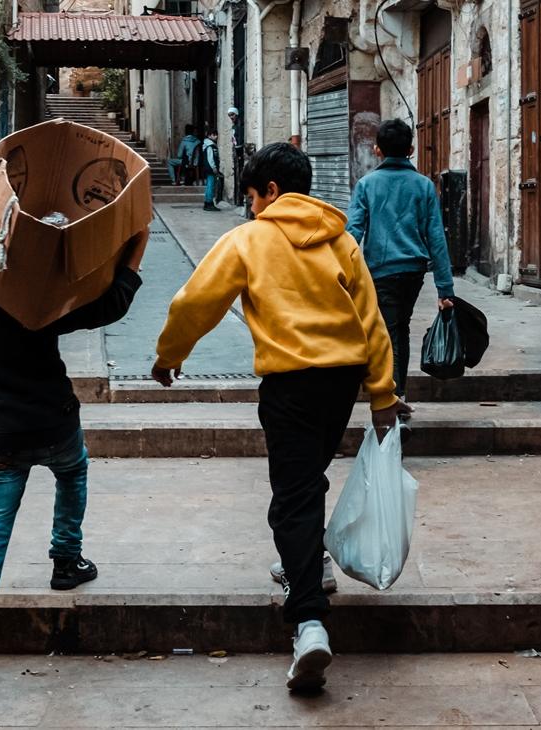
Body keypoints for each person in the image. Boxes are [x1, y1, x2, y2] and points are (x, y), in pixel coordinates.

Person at [151, 143, 409, 692]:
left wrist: (169, 355)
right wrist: (382, 393)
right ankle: (307, 564)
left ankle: (309, 622)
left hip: (289, 383)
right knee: (309, 478)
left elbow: (195, 303)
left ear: (270, 191)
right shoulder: (341, 240)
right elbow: (372, 319)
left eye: (251, 196)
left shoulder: (249, 240)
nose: (249, 208)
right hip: (341, 381)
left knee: (292, 495)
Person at [0, 208, 147, 701]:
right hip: (52, 419)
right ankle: (66, 560)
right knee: (73, 473)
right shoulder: (25, 286)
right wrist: (132, 255)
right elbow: (104, 306)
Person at [346, 118, 455, 398]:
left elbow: (353, 232)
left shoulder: (367, 185)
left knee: (389, 331)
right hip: (412, 272)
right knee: (398, 328)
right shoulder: (424, 186)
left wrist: (340, 271)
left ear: (377, 150)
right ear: (411, 150)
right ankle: (394, 395)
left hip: (380, 272)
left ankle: (393, 401)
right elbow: (436, 238)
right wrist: (445, 288)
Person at [200, 129, 221, 211]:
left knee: (210, 185)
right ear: (209, 136)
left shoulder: (211, 145)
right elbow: (210, 158)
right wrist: (214, 168)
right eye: (214, 134)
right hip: (210, 169)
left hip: (210, 169)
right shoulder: (209, 146)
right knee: (210, 186)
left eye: (216, 134)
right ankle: (208, 203)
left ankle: (209, 202)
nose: (216, 136)